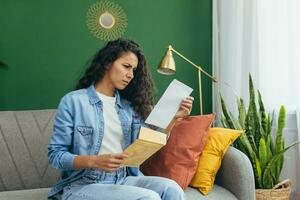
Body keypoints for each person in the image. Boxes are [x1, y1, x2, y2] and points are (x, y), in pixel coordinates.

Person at [48, 38, 194, 200]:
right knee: (149, 198)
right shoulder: (73, 101)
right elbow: (56, 155)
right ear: (108, 63)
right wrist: (95, 161)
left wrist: (173, 118)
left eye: (134, 70)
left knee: (172, 188)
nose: (130, 75)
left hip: (123, 178)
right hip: (82, 184)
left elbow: (150, 142)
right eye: (126, 66)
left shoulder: (127, 107)